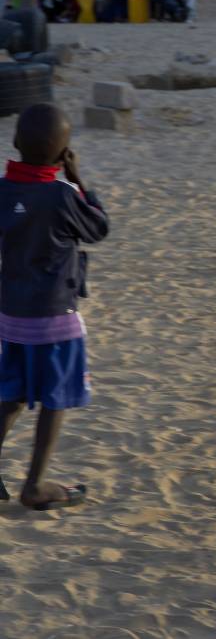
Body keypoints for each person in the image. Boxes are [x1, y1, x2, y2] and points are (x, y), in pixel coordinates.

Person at [0, 103, 109, 510]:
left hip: (11, 315)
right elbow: (98, 227)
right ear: (64, 153)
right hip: (55, 318)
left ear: (15, 142)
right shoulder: (62, 195)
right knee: (55, 397)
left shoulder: (2, 190)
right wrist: (78, 180)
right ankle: (35, 486)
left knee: (11, 394)